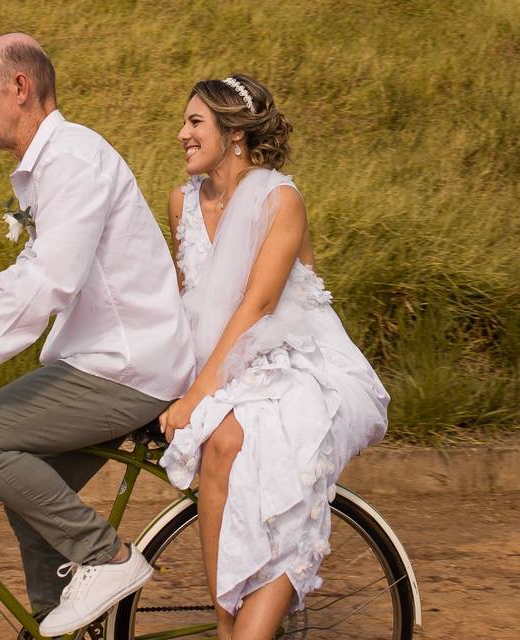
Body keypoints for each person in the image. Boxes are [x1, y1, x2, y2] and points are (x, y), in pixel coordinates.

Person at [0, 33, 197, 637]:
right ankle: (59, 624)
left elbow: (49, 282)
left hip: (127, 366)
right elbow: (34, 266)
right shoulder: (57, 160)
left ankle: (108, 557)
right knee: (29, 495)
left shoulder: (72, 159)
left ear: (20, 88)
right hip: (104, 361)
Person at [157, 75, 389, 640]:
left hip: (296, 359)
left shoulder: (280, 199)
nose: (182, 133)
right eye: (184, 122)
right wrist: (179, 386)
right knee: (221, 443)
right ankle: (226, 624)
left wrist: (198, 395)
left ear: (234, 134)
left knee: (265, 447)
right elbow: (190, 305)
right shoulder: (179, 203)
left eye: (195, 123)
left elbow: (259, 304)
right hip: (227, 365)